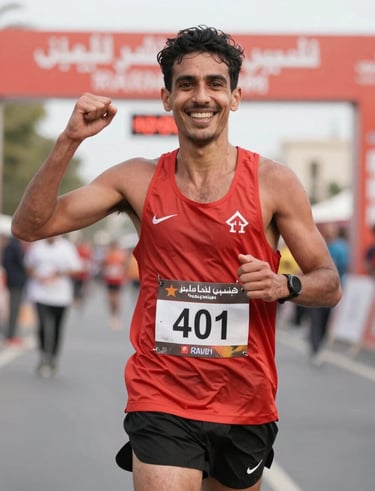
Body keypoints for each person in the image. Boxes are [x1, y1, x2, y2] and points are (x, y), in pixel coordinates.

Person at [11, 26, 342, 491]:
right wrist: (69, 140)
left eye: (214, 84)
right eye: (186, 84)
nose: (200, 96)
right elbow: (30, 227)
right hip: (160, 395)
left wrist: (283, 285)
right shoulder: (136, 180)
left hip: (246, 399)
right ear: (167, 99)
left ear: (235, 97)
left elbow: (328, 282)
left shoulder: (273, 182)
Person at [24, 236, 82, 377]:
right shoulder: (37, 247)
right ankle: (44, 355)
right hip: (40, 293)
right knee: (42, 326)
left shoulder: (66, 247)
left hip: (60, 296)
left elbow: (77, 269)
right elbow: (28, 266)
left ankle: (54, 357)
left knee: (57, 327)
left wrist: (58, 274)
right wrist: (37, 275)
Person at [308, 223, 349, 359]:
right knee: (316, 319)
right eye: (328, 231)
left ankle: (320, 341)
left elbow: (344, 266)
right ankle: (315, 346)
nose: (330, 233)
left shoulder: (341, 248)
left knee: (325, 320)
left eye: (333, 231)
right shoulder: (318, 245)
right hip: (316, 289)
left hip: (332, 290)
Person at [1, 236, 28, 347]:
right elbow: (19, 264)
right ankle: (11, 335)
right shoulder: (14, 246)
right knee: (14, 309)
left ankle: (11, 334)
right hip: (16, 282)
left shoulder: (12, 246)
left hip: (15, 281)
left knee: (15, 310)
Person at [101, 240, 128, 330]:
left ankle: (116, 317)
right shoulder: (107, 255)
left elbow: (125, 266)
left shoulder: (121, 255)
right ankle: (112, 316)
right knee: (110, 299)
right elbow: (103, 266)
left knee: (117, 299)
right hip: (109, 280)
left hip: (118, 280)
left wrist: (125, 276)